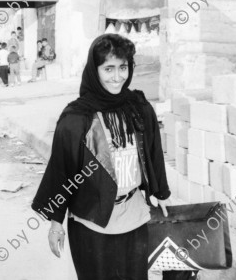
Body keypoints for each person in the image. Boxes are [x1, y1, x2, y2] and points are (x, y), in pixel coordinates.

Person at [32, 33, 178, 280]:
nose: (117, 76)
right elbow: (61, 171)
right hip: (91, 221)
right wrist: (56, 222)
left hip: (133, 215)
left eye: (123, 67)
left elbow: (154, 152)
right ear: (94, 70)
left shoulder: (139, 108)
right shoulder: (77, 118)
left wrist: (161, 193)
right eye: (108, 68)